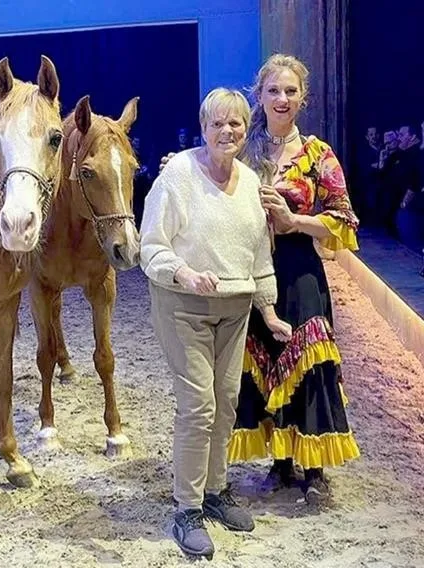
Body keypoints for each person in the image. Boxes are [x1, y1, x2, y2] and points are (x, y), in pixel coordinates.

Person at [140, 87, 291, 559]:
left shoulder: (249, 182)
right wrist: (183, 272)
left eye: (237, 124)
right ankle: (186, 508)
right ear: (203, 127)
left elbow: (258, 254)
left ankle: (215, 491)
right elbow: (151, 247)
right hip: (183, 306)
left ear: (247, 130)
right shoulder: (178, 176)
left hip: (236, 308)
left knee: (226, 402)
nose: (228, 131)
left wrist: (268, 310)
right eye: (218, 123)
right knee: (199, 404)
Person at [222, 54, 361, 503]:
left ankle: (315, 469)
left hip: (301, 272)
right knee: (264, 362)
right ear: (258, 97)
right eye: (273, 91)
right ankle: (280, 465)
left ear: (303, 99)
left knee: (309, 364)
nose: (281, 99)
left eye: (290, 91)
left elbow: (344, 221)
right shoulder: (242, 152)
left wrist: (294, 220)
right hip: (253, 273)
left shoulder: (318, 155)